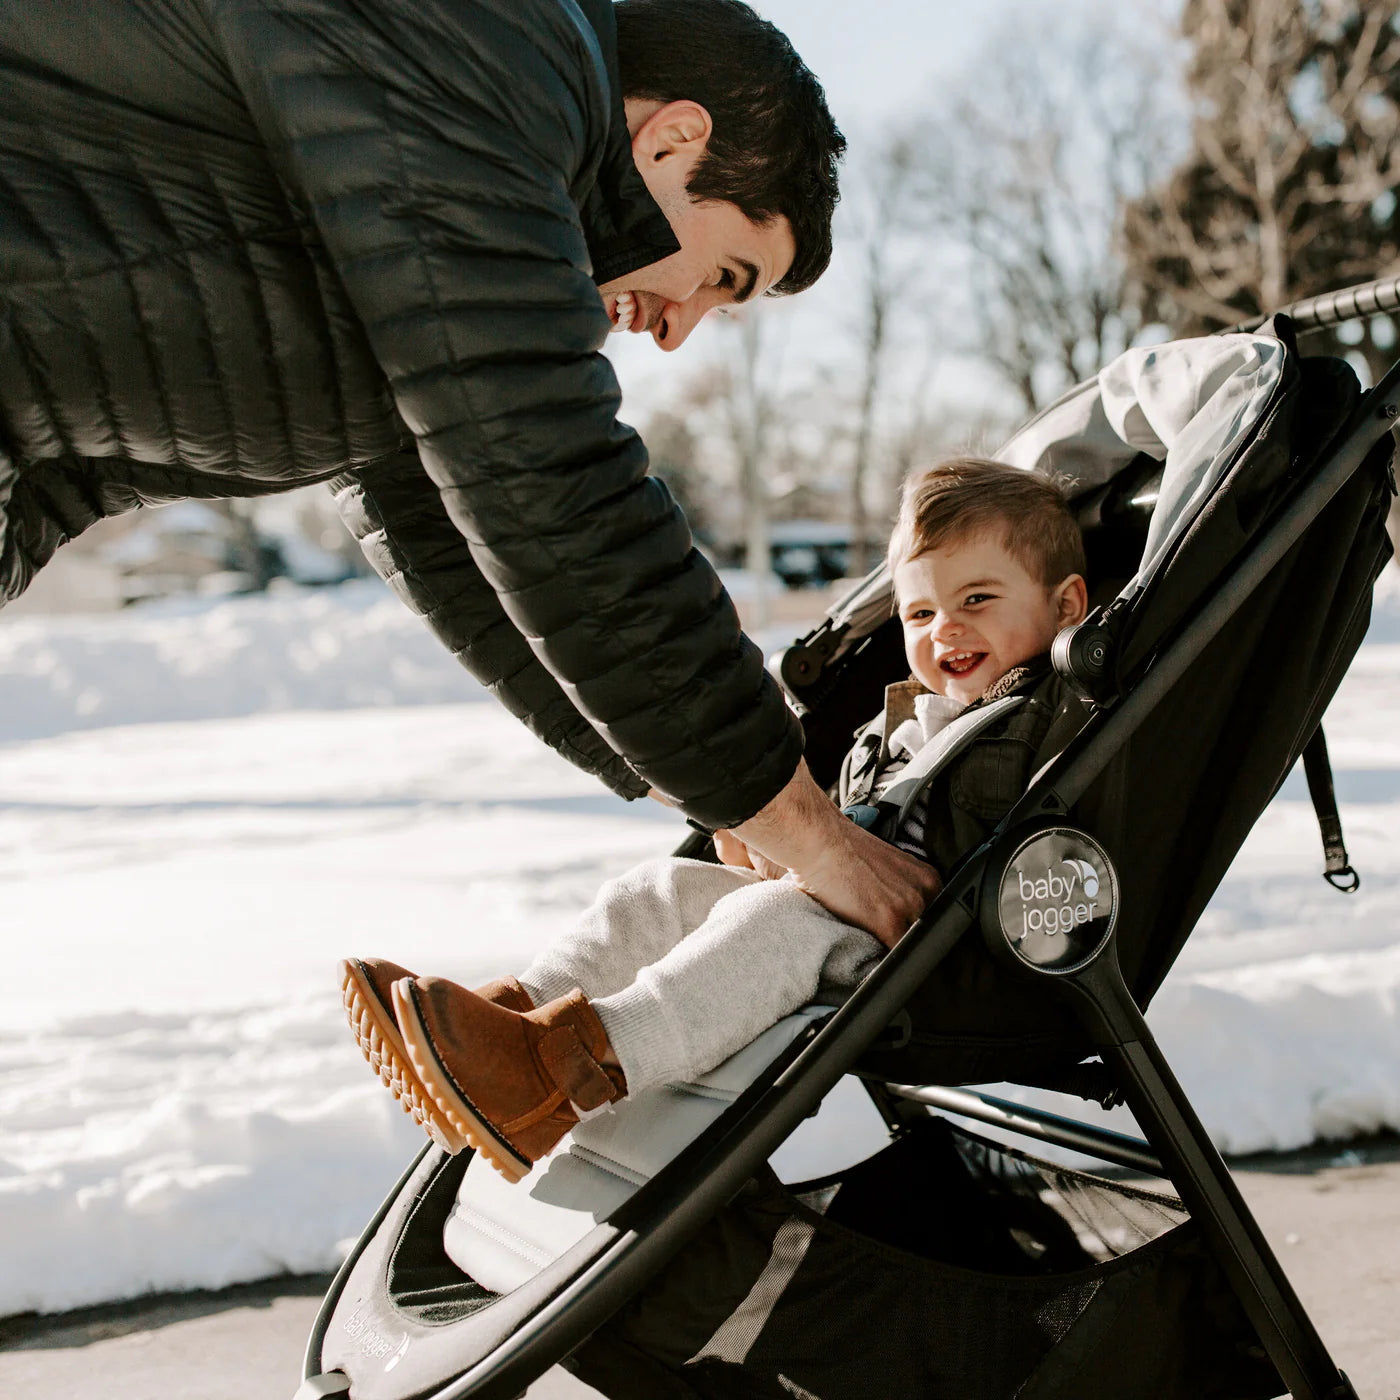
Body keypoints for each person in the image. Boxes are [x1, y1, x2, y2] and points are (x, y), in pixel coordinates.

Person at [0, 0, 936, 943]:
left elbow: (457, 531)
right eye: (725, 277)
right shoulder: (489, 33)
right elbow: (536, 453)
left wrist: (696, 778)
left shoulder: (411, 239)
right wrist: (796, 817)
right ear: (674, 143)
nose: (678, 326)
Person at [340, 459, 1091, 1180]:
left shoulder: (1054, 714)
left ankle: (564, 1075)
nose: (943, 631)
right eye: (920, 611)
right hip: (842, 912)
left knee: (769, 922)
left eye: (978, 601)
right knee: (658, 889)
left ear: (1066, 608)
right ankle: (509, 1025)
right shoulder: (901, 720)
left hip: (938, 953)